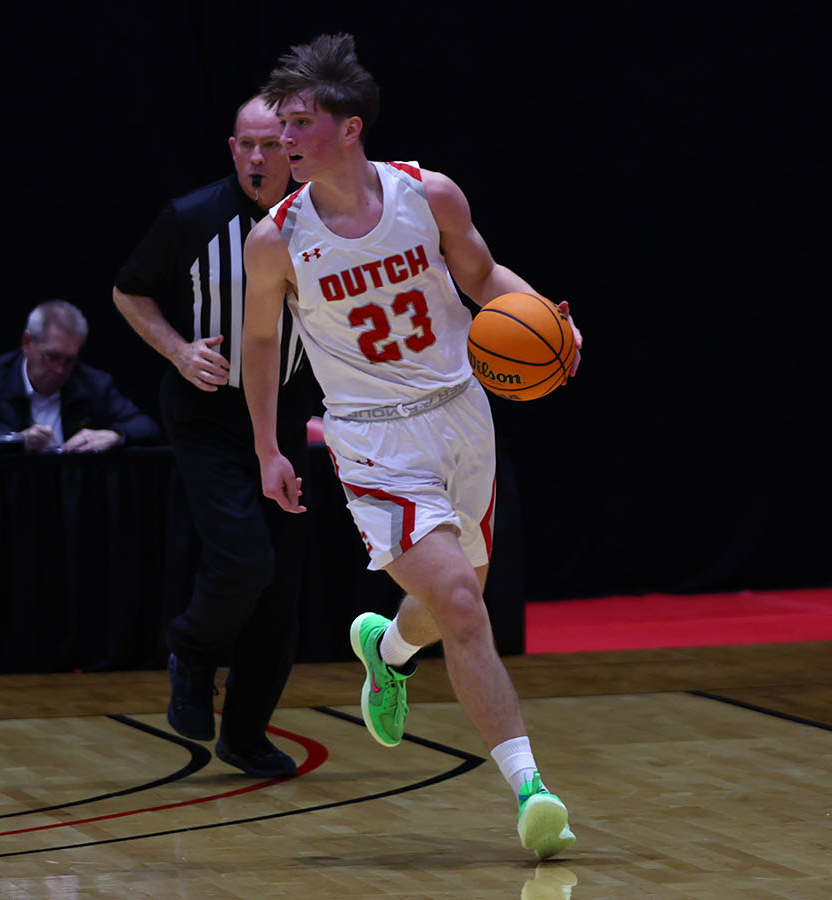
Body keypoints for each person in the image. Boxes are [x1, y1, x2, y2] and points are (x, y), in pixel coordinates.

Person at [240, 34, 583, 859]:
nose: (284, 138)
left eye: (298, 122)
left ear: (347, 128)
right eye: (278, 124)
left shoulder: (428, 196)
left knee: (444, 607)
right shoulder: (276, 240)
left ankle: (386, 652)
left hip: (463, 414)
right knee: (465, 604)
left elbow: (486, 277)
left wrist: (554, 323)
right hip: (370, 441)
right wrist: (267, 449)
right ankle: (534, 794)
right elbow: (257, 344)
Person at [112, 97, 310, 778]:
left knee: (280, 592)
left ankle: (246, 735)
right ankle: (192, 651)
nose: (258, 159)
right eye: (246, 146)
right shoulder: (192, 216)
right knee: (245, 558)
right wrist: (175, 350)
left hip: (282, 415)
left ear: (293, 148)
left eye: (271, 146)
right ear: (232, 148)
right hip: (205, 412)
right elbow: (128, 292)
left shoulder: (324, 222)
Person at [0, 300, 161, 452]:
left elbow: (147, 426)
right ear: (27, 343)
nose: (60, 370)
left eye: (69, 360)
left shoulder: (93, 383)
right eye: (52, 357)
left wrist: (114, 435)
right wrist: (15, 440)